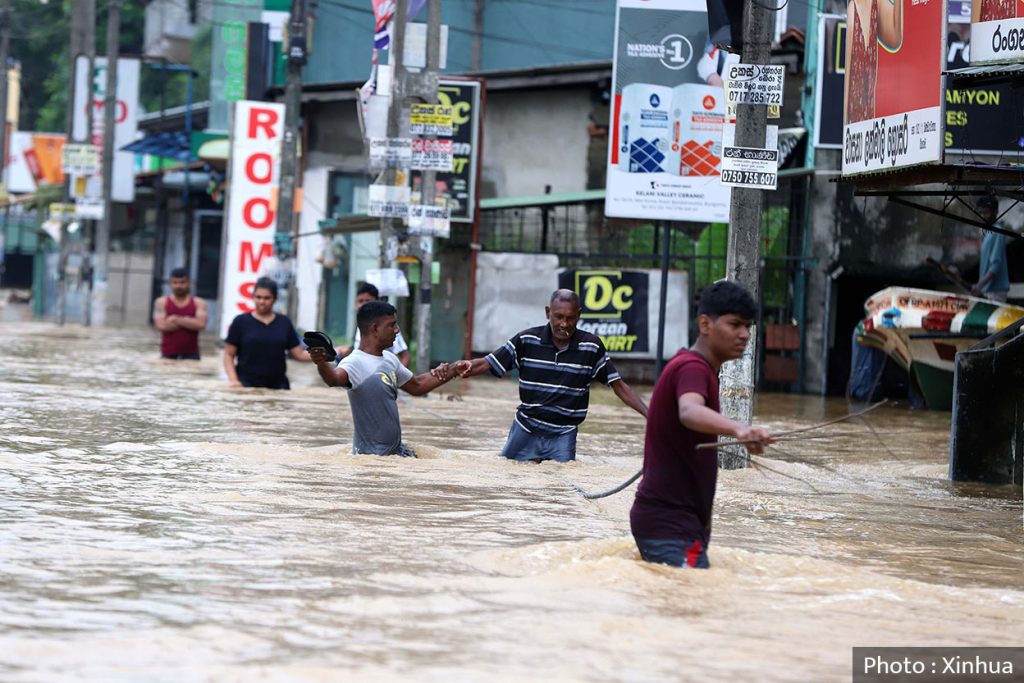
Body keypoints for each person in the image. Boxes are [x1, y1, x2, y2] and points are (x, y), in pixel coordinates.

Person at [629, 281, 776, 569]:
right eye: (735, 324)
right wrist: (738, 429)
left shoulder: (697, 367)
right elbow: (689, 411)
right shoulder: (692, 368)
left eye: (748, 326)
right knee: (692, 604)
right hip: (669, 524)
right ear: (705, 324)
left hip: (677, 524)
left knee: (686, 603)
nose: (744, 334)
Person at [446, 289, 648, 463]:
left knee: (562, 488)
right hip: (525, 428)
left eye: (570, 318)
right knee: (506, 474)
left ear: (579, 315)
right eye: (558, 317)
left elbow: (619, 386)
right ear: (547, 313)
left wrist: (651, 417)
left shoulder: (591, 346)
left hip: (563, 433)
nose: (564, 324)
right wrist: (461, 366)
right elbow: (488, 362)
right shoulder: (526, 340)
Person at [309, 300, 457, 456]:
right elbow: (333, 379)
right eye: (392, 325)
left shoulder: (390, 359)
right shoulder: (354, 362)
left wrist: (453, 369)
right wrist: (321, 362)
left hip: (397, 454)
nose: (397, 330)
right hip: (370, 460)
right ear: (375, 329)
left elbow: (418, 385)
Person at [223, 277, 311, 389]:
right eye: (258, 297)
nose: (262, 302)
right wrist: (234, 381)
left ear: (275, 299)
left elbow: (299, 354)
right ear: (253, 297)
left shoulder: (284, 323)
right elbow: (228, 354)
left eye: (267, 298)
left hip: (279, 388)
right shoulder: (240, 322)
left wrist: (325, 354)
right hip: (246, 387)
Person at [338, 282, 411, 367]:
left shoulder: (389, 327)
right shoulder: (360, 325)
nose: (363, 305)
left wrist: (395, 376)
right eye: (360, 301)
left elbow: (405, 356)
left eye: (368, 301)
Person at [153, 267, 208, 360]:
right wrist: (188, 322)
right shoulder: (161, 302)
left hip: (192, 355)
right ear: (170, 284)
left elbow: (201, 324)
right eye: (175, 283)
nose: (179, 286)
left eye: (182, 282)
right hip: (168, 355)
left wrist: (176, 319)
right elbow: (161, 326)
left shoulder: (199, 302)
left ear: (189, 283)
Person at [971, 195, 1010, 303]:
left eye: (986, 213)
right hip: (988, 290)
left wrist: (979, 285)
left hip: (996, 291)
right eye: (981, 213)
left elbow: (995, 265)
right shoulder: (988, 232)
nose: (983, 216)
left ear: (995, 212)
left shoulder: (997, 232)